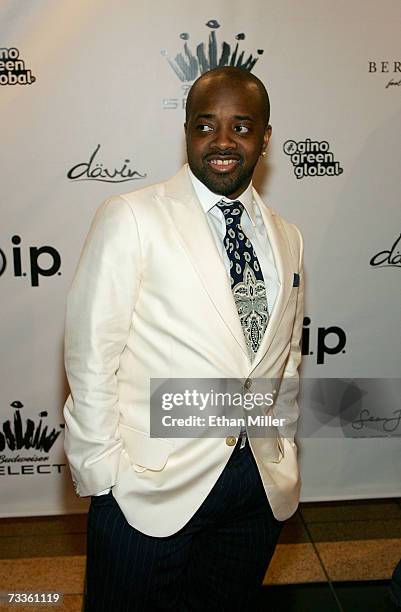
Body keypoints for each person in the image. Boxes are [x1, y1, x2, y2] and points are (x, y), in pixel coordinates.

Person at [63, 66, 304, 611]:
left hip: (256, 485)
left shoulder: (289, 236)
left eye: (241, 127)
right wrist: (104, 478)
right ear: (188, 133)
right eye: (205, 125)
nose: (222, 141)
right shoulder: (131, 216)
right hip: (148, 486)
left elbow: (285, 359)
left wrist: (283, 447)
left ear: (265, 139)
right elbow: (90, 354)